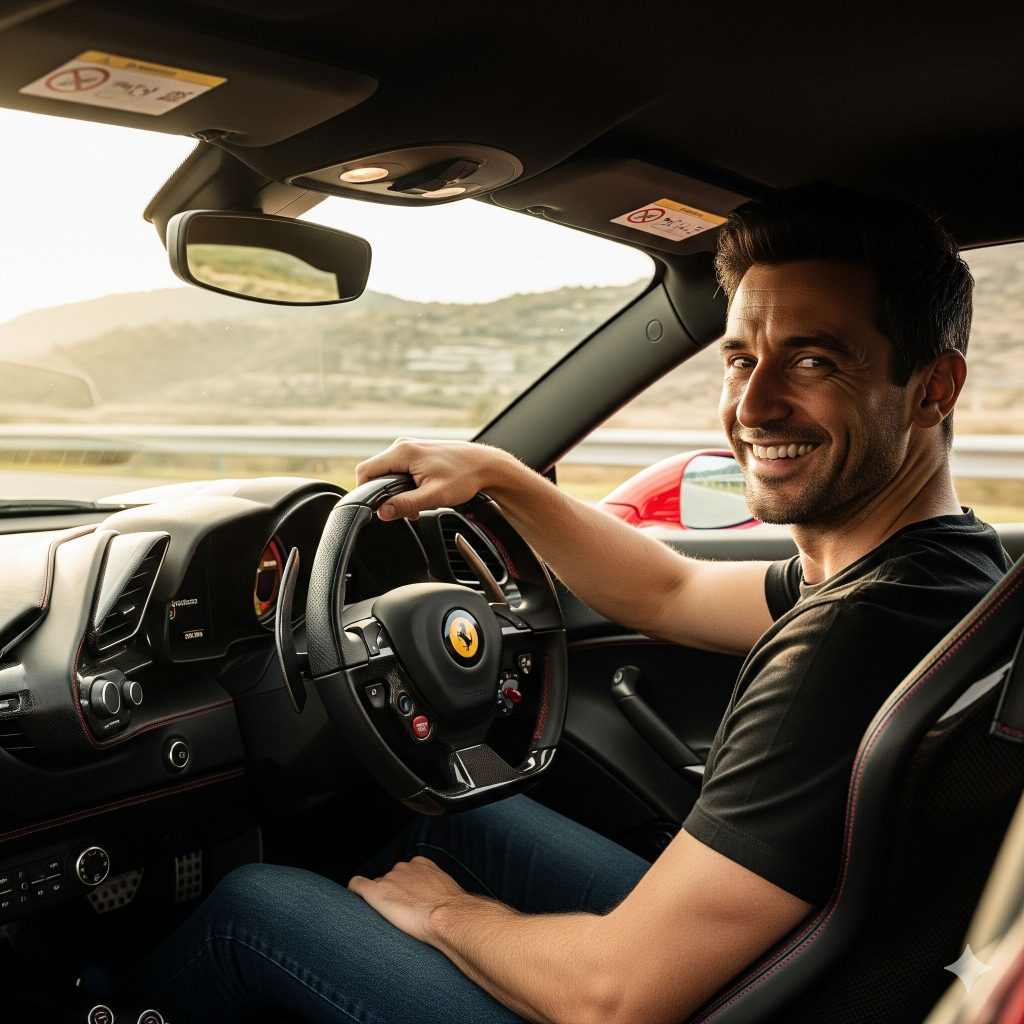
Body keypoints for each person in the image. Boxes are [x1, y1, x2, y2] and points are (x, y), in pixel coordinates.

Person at [87, 184, 1011, 1023]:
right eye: (739, 359)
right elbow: (669, 587)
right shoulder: (944, 573)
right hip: (800, 971)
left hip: (705, 1000)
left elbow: (614, 997)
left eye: (811, 361)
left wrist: (447, 915)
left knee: (260, 909)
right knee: (453, 818)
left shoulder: (846, 645)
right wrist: (499, 475)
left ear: (932, 389)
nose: (754, 404)